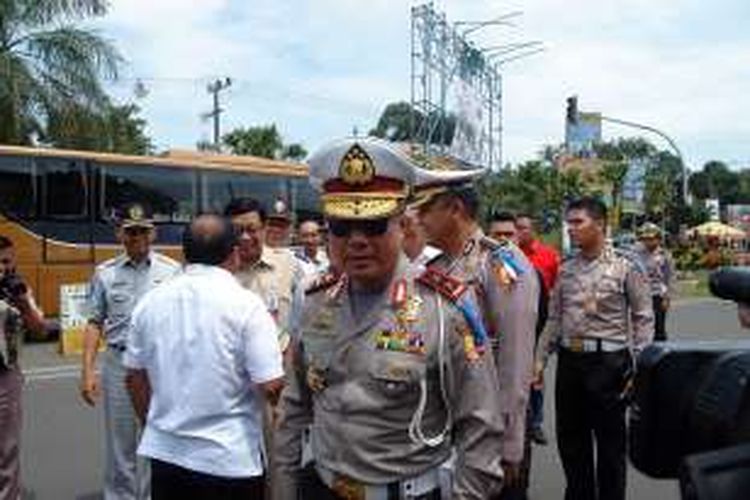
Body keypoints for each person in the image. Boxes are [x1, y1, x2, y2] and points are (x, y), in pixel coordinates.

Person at [275, 137, 505, 499]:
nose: (357, 240)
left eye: (374, 225)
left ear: (403, 225)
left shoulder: (446, 309)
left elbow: (482, 429)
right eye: (341, 227)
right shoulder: (314, 299)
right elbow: (292, 410)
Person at [124, 214, 285, 499]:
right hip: (229, 459)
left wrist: (156, 422)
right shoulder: (247, 306)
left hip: (166, 455)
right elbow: (270, 385)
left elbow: (134, 378)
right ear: (234, 254)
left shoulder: (150, 302)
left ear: (185, 254)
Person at [410, 161, 539, 499]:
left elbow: (515, 359)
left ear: (455, 209)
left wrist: (510, 443)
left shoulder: (499, 263)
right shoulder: (434, 267)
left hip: (493, 423)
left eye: (425, 208)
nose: (418, 217)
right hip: (447, 421)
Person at [535, 197, 654, 500]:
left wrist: (641, 368)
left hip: (609, 363)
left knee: (611, 445)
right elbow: (554, 318)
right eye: (569, 222)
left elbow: (643, 318)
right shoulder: (566, 268)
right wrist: (539, 360)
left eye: (578, 222)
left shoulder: (626, 266)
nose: (570, 229)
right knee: (571, 442)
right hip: (570, 362)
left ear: (599, 224)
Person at [80, 203, 180, 500]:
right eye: (131, 231)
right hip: (119, 363)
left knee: (158, 438)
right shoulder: (105, 274)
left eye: (143, 231)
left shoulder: (173, 272)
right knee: (120, 444)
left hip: (158, 365)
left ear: (154, 233)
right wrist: (87, 372)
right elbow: (94, 322)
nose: (137, 237)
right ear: (119, 234)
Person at [224, 197, 305, 353]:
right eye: (237, 231)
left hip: (279, 361)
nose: (245, 238)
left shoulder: (288, 263)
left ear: (264, 228)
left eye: (251, 229)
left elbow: (304, 314)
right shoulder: (217, 270)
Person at [0, 235, 45, 499]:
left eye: (6, 261)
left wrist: (23, 302)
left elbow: (40, 329)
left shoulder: (18, 289)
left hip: (7, 376)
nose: (3, 267)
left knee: (7, 450)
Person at [515, 212, 560, 446]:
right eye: (516, 228)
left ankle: (536, 422)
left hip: (540, 326)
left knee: (535, 375)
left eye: (523, 227)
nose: (518, 232)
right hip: (514, 326)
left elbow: (556, 294)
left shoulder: (549, 257)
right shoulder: (508, 255)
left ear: (533, 230)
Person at [633, 222, 675, 341]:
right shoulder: (636, 254)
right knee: (641, 326)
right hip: (640, 295)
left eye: (652, 238)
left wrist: (667, 298)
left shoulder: (664, 255)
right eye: (646, 239)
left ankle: (660, 352)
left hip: (657, 294)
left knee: (659, 327)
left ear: (658, 239)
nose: (649, 242)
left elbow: (669, 277)